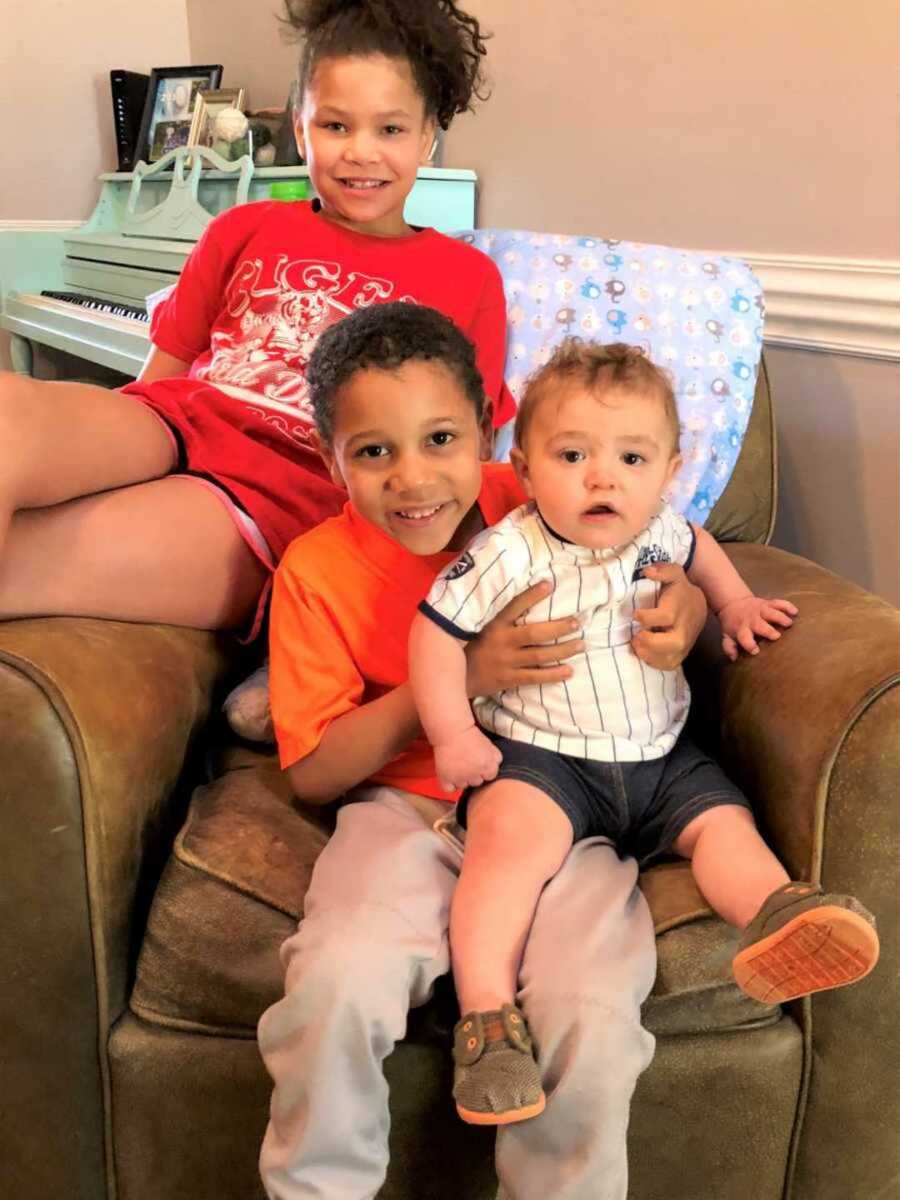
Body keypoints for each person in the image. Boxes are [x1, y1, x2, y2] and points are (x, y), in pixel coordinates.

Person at [259, 302, 708, 1200]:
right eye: (373, 452)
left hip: (569, 802)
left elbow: (672, 557)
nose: (415, 478)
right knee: (337, 983)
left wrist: (690, 608)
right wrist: (457, 682)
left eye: (440, 439)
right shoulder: (315, 570)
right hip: (406, 809)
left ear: (493, 434)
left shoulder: (546, 494)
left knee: (593, 1011)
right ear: (328, 458)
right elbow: (312, 772)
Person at [408, 338, 881, 1126]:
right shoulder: (507, 549)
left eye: (632, 458)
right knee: (504, 853)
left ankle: (780, 916)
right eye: (572, 455)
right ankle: (486, 1019)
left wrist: (733, 606)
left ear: (668, 470)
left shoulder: (662, 528)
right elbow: (432, 636)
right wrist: (454, 731)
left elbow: (704, 551)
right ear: (523, 468)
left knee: (725, 825)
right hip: (542, 758)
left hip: (662, 757)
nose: (603, 477)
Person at [0, 0, 519, 641]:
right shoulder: (245, 226)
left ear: (427, 136)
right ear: (299, 129)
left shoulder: (466, 278)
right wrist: (100, 457)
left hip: (284, 487)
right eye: (335, 125)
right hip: (175, 419)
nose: (361, 152)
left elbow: (470, 458)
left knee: (26, 562)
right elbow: (160, 377)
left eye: (389, 130)